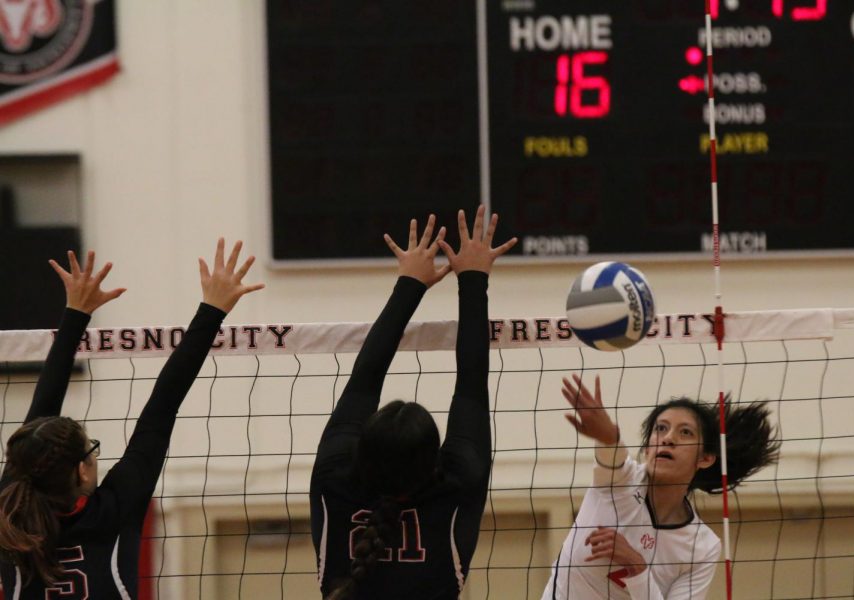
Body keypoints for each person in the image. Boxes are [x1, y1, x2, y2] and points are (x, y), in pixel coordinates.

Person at [0, 240, 263, 598]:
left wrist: (75, 314)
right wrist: (214, 309)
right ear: (81, 470)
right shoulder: (114, 510)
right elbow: (162, 407)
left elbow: (159, 407)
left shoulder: (9, 516)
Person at [311, 206, 517, 600]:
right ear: (432, 461)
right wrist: (468, 282)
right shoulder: (455, 484)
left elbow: (363, 383)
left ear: (363, 450)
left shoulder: (335, 479)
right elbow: (470, 387)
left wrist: (416, 284)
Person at [543, 374, 780, 599]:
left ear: (705, 458)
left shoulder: (701, 545)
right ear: (647, 449)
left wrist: (636, 565)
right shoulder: (621, 481)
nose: (668, 438)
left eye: (685, 432)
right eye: (661, 428)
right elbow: (612, 452)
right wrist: (608, 435)